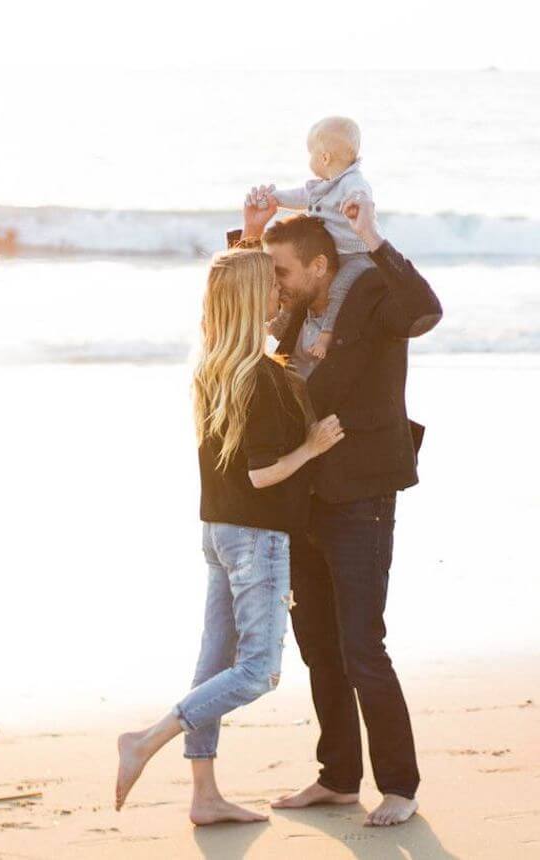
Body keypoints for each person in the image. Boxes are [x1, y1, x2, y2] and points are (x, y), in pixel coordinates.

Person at [227, 190, 443, 826]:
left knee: (361, 647)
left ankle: (399, 785)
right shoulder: (295, 310)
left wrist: (373, 235)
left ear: (319, 267)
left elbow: (426, 310)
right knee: (318, 644)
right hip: (305, 498)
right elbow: (234, 311)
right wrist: (250, 234)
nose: (276, 285)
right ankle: (338, 777)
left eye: (283, 271)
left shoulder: (374, 293)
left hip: (361, 497)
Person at [114, 248, 343, 824]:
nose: (279, 296)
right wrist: (312, 447)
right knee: (258, 670)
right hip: (255, 536)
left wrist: (256, 233)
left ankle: (204, 796)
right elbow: (260, 472)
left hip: (219, 530)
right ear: (248, 301)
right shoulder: (262, 377)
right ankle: (145, 740)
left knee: (215, 662)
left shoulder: (215, 365)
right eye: (269, 287)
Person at [255, 115, 376, 362]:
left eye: (310, 153)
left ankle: (326, 333)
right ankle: (280, 327)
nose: (309, 159)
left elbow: (360, 193)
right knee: (297, 289)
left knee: (340, 288)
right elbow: (302, 196)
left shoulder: (352, 182)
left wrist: (358, 205)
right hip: (332, 252)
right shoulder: (324, 185)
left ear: (324, 158)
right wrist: (275, 198)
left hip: (355, 255)